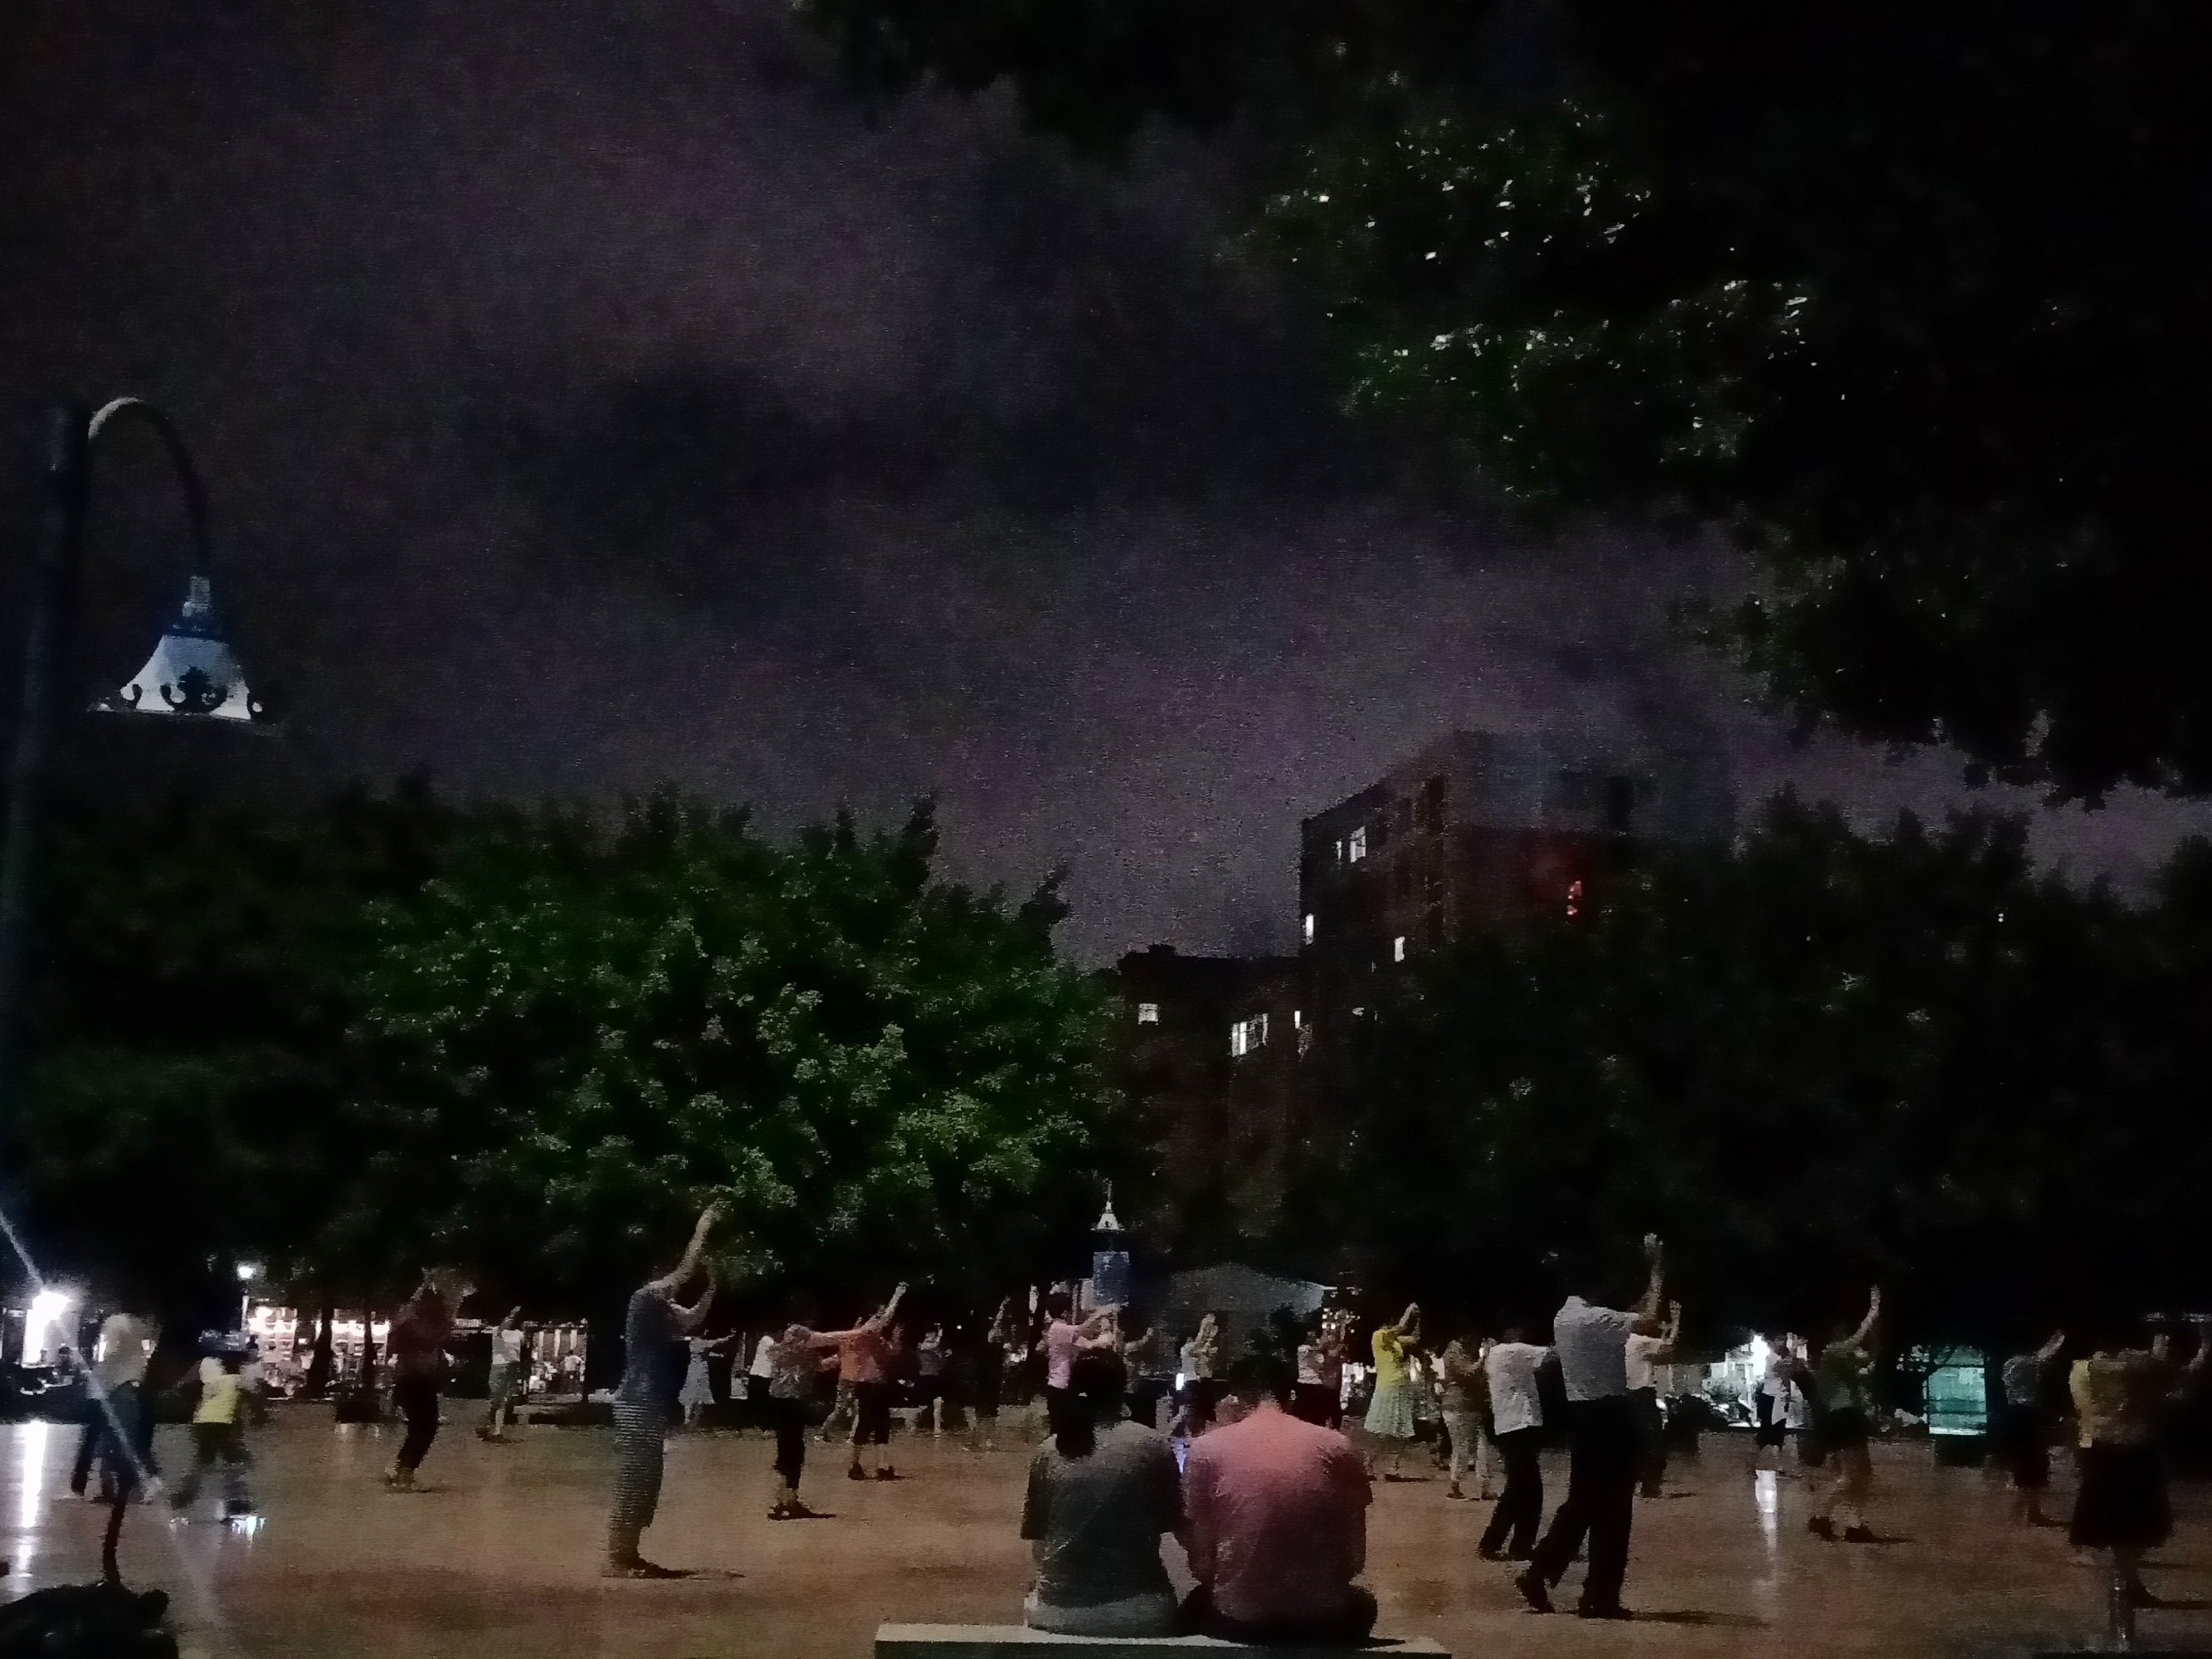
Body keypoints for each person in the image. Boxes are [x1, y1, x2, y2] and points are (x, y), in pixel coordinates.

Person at [1515, 1233, 1667, 1619]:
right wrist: (1656, 1268)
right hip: (1610, 1416)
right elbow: (1648, 1318)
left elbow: (1630, 1314)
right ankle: (1599, 1596)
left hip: (1581, 1417)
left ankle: (1541, 1571)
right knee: (1615, 1509)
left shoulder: (1566, 1317)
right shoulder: (1595, 1319)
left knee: (1583, 1502)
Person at [1180, 1355, 1376, 1642]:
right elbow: (1356, 1560)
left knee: (1195, 1604)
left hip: (1240, 1618)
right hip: (1320, 1619)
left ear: (1234, 1398)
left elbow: (1201, 1565)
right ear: (1291, 1396)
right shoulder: (1337, 1446)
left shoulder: (1205, 1450)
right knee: (1363, 1604)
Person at [2068, 1313, 2211, 1646]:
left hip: (2100, 1451)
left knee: (2113, 1529)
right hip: (2134, 1454)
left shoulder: (2086, 1366)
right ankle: (2124, 1613)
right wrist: (2205, 1340)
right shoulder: (2138, 1364)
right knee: (2134, 1528)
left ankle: (2127, 1589)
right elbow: (2185, 1375)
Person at [1020, 1351, 1184, 1636]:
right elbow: (1179, 1529)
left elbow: (1040, 1548)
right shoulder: (1152, 1445)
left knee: (1031, 1587)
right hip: (1140, 1610)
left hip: (1057, 1611)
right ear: (1123, 1390)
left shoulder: (1049, 1451)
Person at [606, 1201, 722, 1578]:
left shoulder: (661, 1310)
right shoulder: (643, 1299)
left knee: (647, 1479)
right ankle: (618, 1558)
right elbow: (685, 1270)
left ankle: (629, 1553)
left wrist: (713, 1285)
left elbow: (694, 1317)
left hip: (649, 1399)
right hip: (636, 1398)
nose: (676, 1285)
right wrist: (703, 1226)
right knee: (635, 1477)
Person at [1805, 1287, 1882, 1544]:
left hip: (1850, 1416)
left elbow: (1867, 1360)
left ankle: (1854, 1524)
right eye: (1840, 1331)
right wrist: (1872, 1314)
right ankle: (1822, 1517)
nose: (1844, 1334)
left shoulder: (1843, 1361)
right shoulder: (1832, 1352)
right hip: (1842, 1417)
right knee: (1851, 1475)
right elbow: (1856, 1342)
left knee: (1863, 1474)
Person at [384, 1270, 465, 1491]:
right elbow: (445, 1325)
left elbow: (410, 1308)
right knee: (426, 1429)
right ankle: (405, 1476)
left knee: (418, 1428)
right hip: (420, 1381)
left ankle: (399, 1469)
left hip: (407, 1380)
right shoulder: (426, 1328)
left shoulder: (406, 1321)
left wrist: (424, 1285)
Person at [818, 1282, 908, 1481]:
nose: (882, 1316)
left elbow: (890, 1351)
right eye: (878, 1312)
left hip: (875, 1382)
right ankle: (858, 1465)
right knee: (868, 1423)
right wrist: (897, 1295)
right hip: (869, 1382)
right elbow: (887, 1317)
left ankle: (879, 1465)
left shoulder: (868, 1336)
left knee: (880, 1423)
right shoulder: (866, 1332)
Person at [72, 1304, 159, 1504]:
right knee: (119, 1438)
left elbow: (110, 1353)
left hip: (115, 1387)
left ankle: (146, 1480)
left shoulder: (115, 1322)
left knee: (110, 1439)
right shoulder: (139, 1324)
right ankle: (112, 1487)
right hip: (133, 1384)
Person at [1479, 1321, 1550, 1559]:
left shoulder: (1501, 1354)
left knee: (1525, 1489)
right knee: (1521, 1489)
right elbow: (1552, 1356)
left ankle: (1518, 1544)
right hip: (1517, 1426)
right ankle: (1496, 1543)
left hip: (1515, 1426)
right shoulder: (1508, 1351)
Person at [765, 1321, 843, 1519]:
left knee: (784, 1449)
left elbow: (816, 1366)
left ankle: (782, 1499)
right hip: (795, 1403)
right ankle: (787, 1501)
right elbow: (821, 1366)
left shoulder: (777, 1350)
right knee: (794, 1453)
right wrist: (841, 1355)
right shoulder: (806, 1352)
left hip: (777, 1402)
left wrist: (837, 1358)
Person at [169, 1341, 252, 1520]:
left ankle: (184, 1497)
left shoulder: (212, 1379)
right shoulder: (237, 1381)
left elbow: (184, 1385)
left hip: (203, 1421)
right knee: (232, 1462)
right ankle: (236, 1503)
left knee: (206, 1460)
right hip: (221, 1424)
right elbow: (252, 1399)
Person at [1995, 1328, 2065, 1526]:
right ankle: (2025, 1512)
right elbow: (2047, 1355)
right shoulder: (2028, 1363)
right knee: (2034, 1464)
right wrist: (2059, 1336)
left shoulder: (2009, 1363)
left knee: (2025, 1463)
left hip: (2015, 1416)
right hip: (2028, 1416)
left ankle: (2025, 1512)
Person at [1627, 1300, 1682, 1499]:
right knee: (1656, 1443)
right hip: (1642, 1396)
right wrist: (1676, 1320)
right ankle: (1650, 1486)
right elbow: (1668, 1347)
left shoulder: (1625, 1341)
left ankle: (1635, 1482)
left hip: (1625, 1396)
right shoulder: (1640, 1342)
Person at [1362, 1304, 1421, 1480]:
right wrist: (1409, 1312)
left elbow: (1415, 1339)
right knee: (1382, 1431)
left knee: (1401, 1432)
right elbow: (1401, 1327)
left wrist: (1418, 1319)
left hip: (1399, 1386)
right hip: (1387, 1386)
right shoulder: (1379, 1335)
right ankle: (1368, 1464)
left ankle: (1392, 1468)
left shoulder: (1394, 1340)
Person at [1439, 1335, 1493, 1501]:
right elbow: (1468, 1373)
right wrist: (1484, 1358)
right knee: (1461, 1446)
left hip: (1473, 1404)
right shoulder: (1453, 1352)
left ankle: (1484, 1486)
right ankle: (1456, 1486)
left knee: (1480, 1446)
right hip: (1457, 1405)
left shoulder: (1468, 1352)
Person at [972, 1299, 1014, 1452]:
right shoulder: (990, 1341)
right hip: (987, 1375)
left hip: (990, 1376)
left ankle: (984, 1439)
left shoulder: (994, 1342)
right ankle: (984, 1439)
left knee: (987, 1408)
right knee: (986, 1407)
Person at [1171, 1314, 1221, 1440]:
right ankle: (1189, 1434)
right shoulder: (1186, 1349)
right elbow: (1198, 1344)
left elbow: (1206, 1357)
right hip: (1191, 1382)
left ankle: (1201, 1435)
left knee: (1204, 1410)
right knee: (1191, 1410)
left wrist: (1209, 1338)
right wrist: (1204, 1327)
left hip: (1201, 1382)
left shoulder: (1198, 1350)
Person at [480, 1308, 528, 1443]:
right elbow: (501, 1329)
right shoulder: (496, 1331)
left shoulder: (519, 1334)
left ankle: (497, 1429)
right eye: (507, 1318)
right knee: (496, 1397)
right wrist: (511, 1314)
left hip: (513, 1367)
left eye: (512, 1319)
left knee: (505, 1399)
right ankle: (491, 1423)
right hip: (499, 1366)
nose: (510, 1321)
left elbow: (524, 1346)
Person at [1752, 1335, 1797, 1473]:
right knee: (1768, 1431)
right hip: (1771, 1398)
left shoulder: (1779, 1358)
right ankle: (1761, 1463)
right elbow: (1783, 1369)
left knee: (1778, 1431)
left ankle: (1775, 1464)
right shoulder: (1772, 1358)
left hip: (1779, 1399)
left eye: (1783, 1340)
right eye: (1778, 1339)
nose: (1781, 1343)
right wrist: (1793, 1351)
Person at [915, 1325, 951, 1437]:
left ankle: (937, 1427)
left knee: (938, 1402)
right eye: (929, 1336)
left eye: (933, 1336)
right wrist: (940, 1334)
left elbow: (941, 1362)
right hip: (924, 1376)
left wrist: (945, 1355)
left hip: (935, 1376)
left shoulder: (937, 1349)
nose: (931, 1338)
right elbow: (933, 1345)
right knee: (923, 1405)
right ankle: (917, 1426)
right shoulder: (921, 1345)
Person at [678, 1334, 719, 1428]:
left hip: (695, 1369)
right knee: (698, 1393)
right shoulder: (703, 1343)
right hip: (700, 1370)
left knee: (693, 1392)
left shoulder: (693, 1342)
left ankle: (689, 1418)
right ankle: (694, 1418)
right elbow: (715, 1342)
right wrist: (729, 1336)